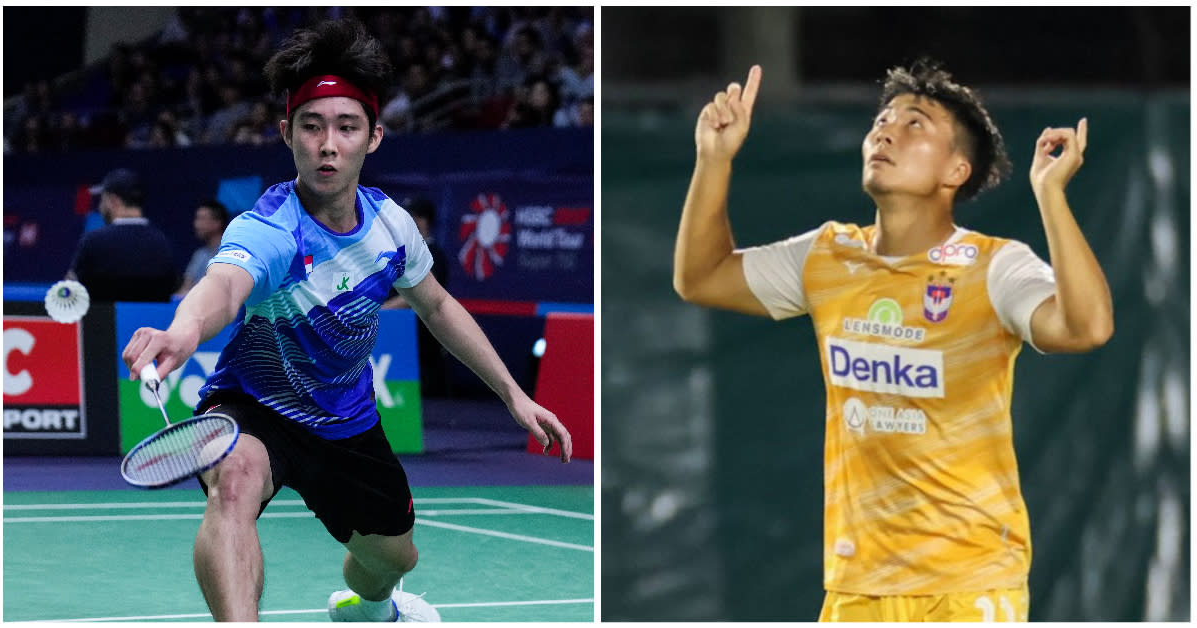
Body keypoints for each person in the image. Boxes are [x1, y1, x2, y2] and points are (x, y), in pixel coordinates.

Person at [120, 18, 572, 623]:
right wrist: (183, 329)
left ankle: (370, 607)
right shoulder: (271, 227)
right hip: (255, 405)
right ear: (287, 134)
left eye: (346, 127)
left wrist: (514, 395)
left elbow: (436, 304)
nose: (327, 143)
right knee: (232, 486)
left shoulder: (392, 227)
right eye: (311, 126)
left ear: (374, 137)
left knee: (394, 557)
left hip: (346, 422)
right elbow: (224, 287)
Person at [673, 59, 1113, 622]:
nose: (885, 131)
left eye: (914, 124)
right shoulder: (830, 256)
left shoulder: (995, 267)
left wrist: (1051, 195)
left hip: (969, 585)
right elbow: (701, 276)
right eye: (882, 120)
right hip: (857, 586)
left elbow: (1088, 327)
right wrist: (714, 160)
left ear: (956, 170)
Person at [66, 168, 179, 302]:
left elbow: (69, 291)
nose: (100, 207)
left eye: (102, 200)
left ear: (114, 201)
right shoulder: (162, 243)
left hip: (101, 322)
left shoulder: (93, 242)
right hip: (151, 322)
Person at [382, 197, 450, 397]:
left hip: (423, 337)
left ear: (425, 221)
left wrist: (382, 311)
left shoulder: (434, 253)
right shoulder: (397, 253)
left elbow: (422, 295)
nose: (408, 221)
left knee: (423, 397)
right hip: (395, 333)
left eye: (414, 217)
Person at [174, 199, 230, 299]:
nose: (196, 225)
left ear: (217, 223)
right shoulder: (199, 254)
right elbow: (186, 286)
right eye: (197, 219)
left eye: (202, 219)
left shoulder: (229, 254)